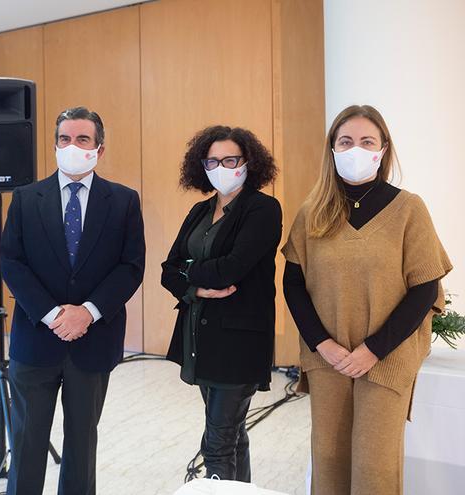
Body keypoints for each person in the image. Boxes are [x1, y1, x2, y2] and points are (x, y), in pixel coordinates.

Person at [282, 105, 452, 494]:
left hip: (386, 357)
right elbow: (293, 284)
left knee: (374, 466)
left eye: (366, 141)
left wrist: (372, 350)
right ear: (332, 149)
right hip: (329, 359)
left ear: (382, 149)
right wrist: (323, 345)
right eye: (345, 141)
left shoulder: (409, 209)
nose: (355, 149)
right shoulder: (313, 213)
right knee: (329, 461)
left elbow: (424, 288)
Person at [0, 107, 145, 495]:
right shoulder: (26, 198)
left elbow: (130, 267)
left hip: (94, 341)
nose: (72, 146)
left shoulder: (124, 201)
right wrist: (52, 314)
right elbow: (11, 263)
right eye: (64, 138)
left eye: (82, 139)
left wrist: (88, 313)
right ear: (54, 144)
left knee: (82, 444)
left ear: (99, 148)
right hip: (35, 340)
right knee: (27, 442)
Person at [160, 126, 282, 482]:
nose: (221, 167)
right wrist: (195, 288)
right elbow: (168, 271)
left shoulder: (263, 209)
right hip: (200, 336)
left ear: (248, 162)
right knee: (231, 434)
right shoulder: (200, 211)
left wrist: (189, 271)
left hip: (240, 341)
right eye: (212, 160)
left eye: (230, 159)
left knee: (216, 443)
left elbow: (233, 268)